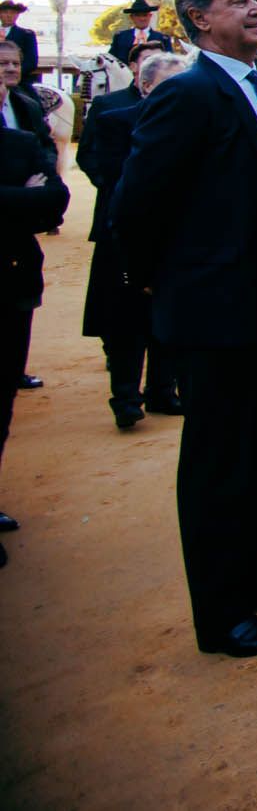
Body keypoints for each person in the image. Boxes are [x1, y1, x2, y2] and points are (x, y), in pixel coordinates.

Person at [110, 0, 257, 656]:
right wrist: (166, 288)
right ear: (200, 19)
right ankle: (220, 613)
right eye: (240, 2)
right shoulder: (189, 94)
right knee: (219, 461)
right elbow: (135, 208)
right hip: (216, 312)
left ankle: (250, 570)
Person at [79, 48, 189, 427]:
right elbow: (112, 177)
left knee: (168, 318)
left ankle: (162, 391)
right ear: (145, 86)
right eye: (168, 85)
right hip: (127, 237)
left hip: (176, 238)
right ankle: (126, 398)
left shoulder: (192, 125)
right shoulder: (115, 122)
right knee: (127, 322)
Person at [1, 114, 69, 565]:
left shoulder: (19, 140)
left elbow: (54, 201)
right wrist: (20, 197)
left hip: (12, 282)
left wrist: (31, 199)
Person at [0, 40, 53, 163]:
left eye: (16, 64)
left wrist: (41, 174)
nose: (12, 69)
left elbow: (47, 148)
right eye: (3, 63)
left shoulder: (30, 106)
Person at [107, 0, 175, 64]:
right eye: (138, 15)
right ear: (131, 17)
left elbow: (169, 63)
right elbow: (111, 60)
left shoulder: (162, 39)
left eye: (145, 15)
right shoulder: (120, 37)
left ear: (150, 16)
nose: (142, 19)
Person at [0, 0, 36, 78]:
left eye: (13, 13)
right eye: (5, 12)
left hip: (17, 80)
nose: (9, 16)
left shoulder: (26, 35)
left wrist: (11, 74)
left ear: (17, 15)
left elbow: (31, 62)